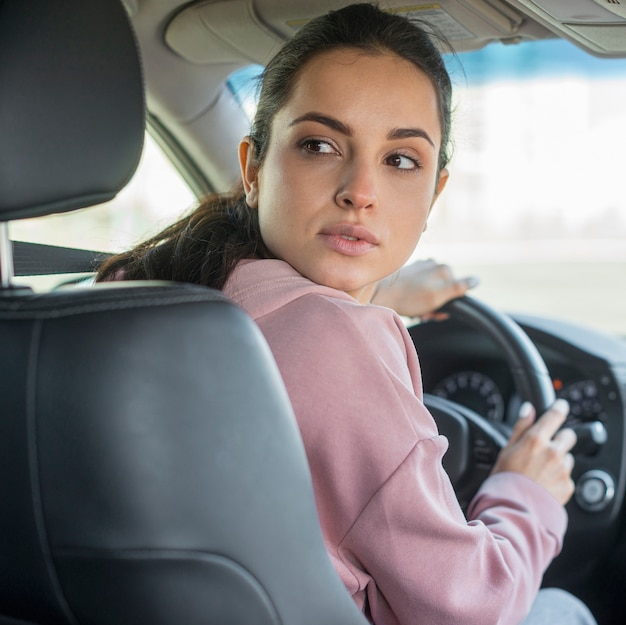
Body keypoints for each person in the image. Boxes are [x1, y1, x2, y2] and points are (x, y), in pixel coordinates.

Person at [97, 4, 596, 624]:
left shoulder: (128, 292)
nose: (361, 190)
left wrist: (378, 294)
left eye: (401, 160)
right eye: (319, 145)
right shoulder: (340, 344)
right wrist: (528, 495)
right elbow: (472, 608)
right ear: (253, 168)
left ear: (433, 192)